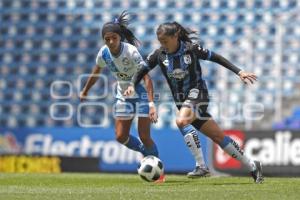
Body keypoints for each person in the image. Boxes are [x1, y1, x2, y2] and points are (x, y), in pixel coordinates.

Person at [125, 22, 264, 183]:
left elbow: (216, 57)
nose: (162, 45)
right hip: (182, 101)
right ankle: (253, 166)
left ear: (175, 36)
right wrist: (131, 85)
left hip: (198, 94)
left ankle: (201, 165)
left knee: (181, 121)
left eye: (165, 41)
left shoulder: (191, 49)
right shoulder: (159, 54)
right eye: (160, 41)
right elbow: (142, 70)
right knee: (218, 136)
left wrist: (239, 71)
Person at [80, 11, 160, 159]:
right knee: (120, 136)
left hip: (141, 94)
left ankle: (157, 170)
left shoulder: (131, 51)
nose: (111, 42)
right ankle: (146, 153)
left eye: (114, 38)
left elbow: (147, 77)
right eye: (107, 39)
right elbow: (96, 72)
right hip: (123, 95)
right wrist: (85, 90)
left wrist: (151, 104)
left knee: (144, 136)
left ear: (120, 37)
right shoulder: (103, 53)